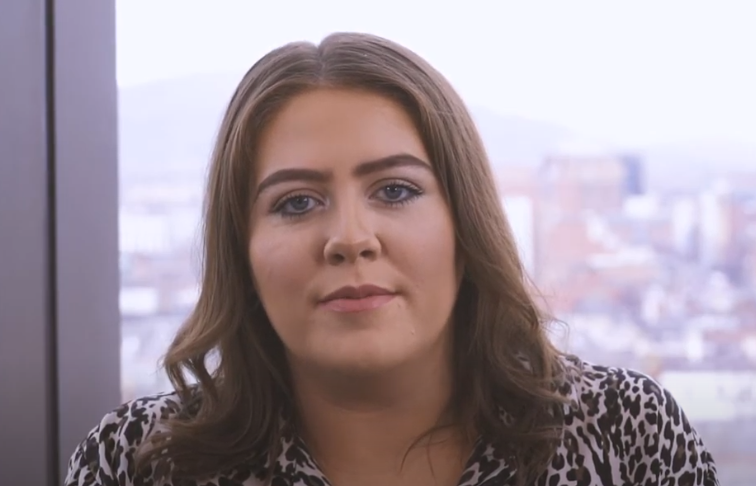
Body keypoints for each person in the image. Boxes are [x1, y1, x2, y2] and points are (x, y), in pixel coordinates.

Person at [64, 32, 719, 486]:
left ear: (466, 223)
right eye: (295, 203)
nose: (350, 237)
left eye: (396, 190)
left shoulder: (626, 438)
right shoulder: (140, 464)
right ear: (242, 248)